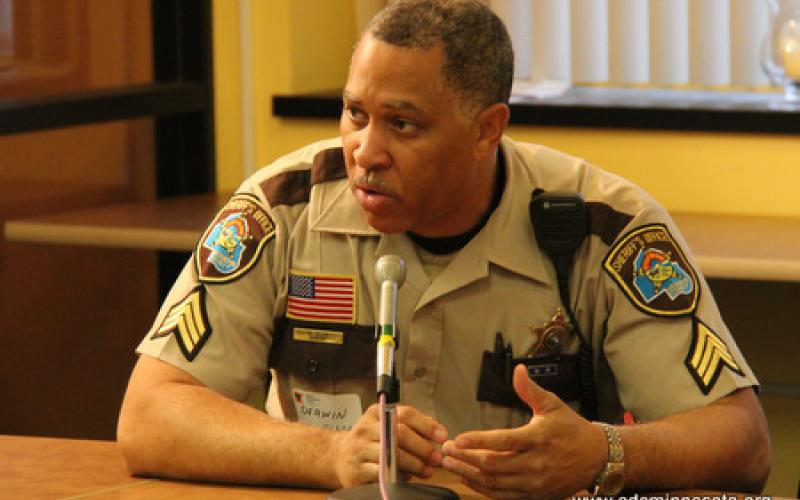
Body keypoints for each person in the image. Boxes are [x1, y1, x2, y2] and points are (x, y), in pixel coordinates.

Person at [117, 0, 771, 497]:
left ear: (487, 129)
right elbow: (150, 415)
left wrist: (604, 454)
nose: (366, 153)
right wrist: (330, 454)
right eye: (354, 114)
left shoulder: (600, 228)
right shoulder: (286, 211)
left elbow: (742, 444)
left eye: (402, 124)